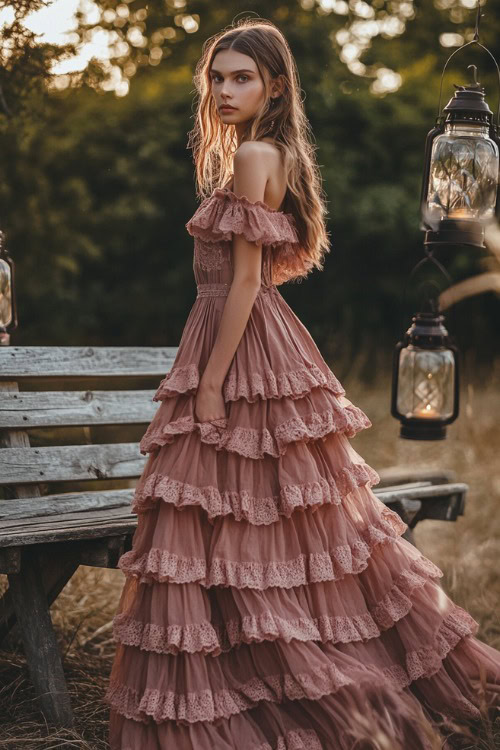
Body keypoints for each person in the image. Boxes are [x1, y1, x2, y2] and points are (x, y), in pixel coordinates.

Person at [104, 18, 500, 750]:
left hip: (242, 344)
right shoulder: (268, 151)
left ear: (275, 84)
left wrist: (213, 383)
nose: (224, 90)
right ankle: (244, 660)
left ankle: (259, 679)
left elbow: (247, 279)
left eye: (241, 77)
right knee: (258, 518)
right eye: (217, 77)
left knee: (230, 512)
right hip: (253, 337)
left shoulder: (256, 153)